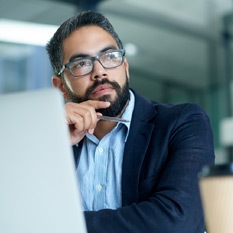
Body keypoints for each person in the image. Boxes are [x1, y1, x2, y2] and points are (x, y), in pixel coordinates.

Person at [46, 11, 215, 233]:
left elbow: (176, 223)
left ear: (125, 67)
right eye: (81, 63)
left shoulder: (184, 123)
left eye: (110, 56)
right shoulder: (51, 142)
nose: (100, 71)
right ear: (61, 87)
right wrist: (52, 143)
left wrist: (59, 225)